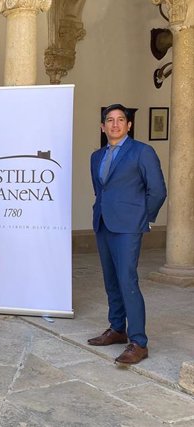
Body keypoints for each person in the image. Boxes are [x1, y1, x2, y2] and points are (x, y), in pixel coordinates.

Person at [87, 103, 167, 365]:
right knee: (111, 280)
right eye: (109, 120)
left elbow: (157, 190)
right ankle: (117, 329)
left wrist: (142, 219)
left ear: (129, 125)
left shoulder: (142, 152)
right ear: (103, 126)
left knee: (127, 281)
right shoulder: (96, 156)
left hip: (129, 227)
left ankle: (139, 342)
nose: (115, 124)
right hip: (103, 223)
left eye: (121, 119)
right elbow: (102, 191)